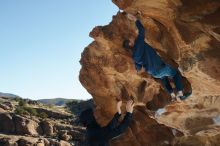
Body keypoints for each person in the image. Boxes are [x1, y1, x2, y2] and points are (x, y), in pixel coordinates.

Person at [123, 13, 189, 101]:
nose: (132, 38)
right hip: (159, 67)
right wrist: (135, 19)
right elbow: (142, 31)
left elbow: (138, 69)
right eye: (130, 39)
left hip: (154, 73)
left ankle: (172, 95)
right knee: (175, 73)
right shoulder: (138, 43)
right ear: (130, 43)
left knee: (164, 79)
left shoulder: (134, 57)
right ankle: (180, 92)